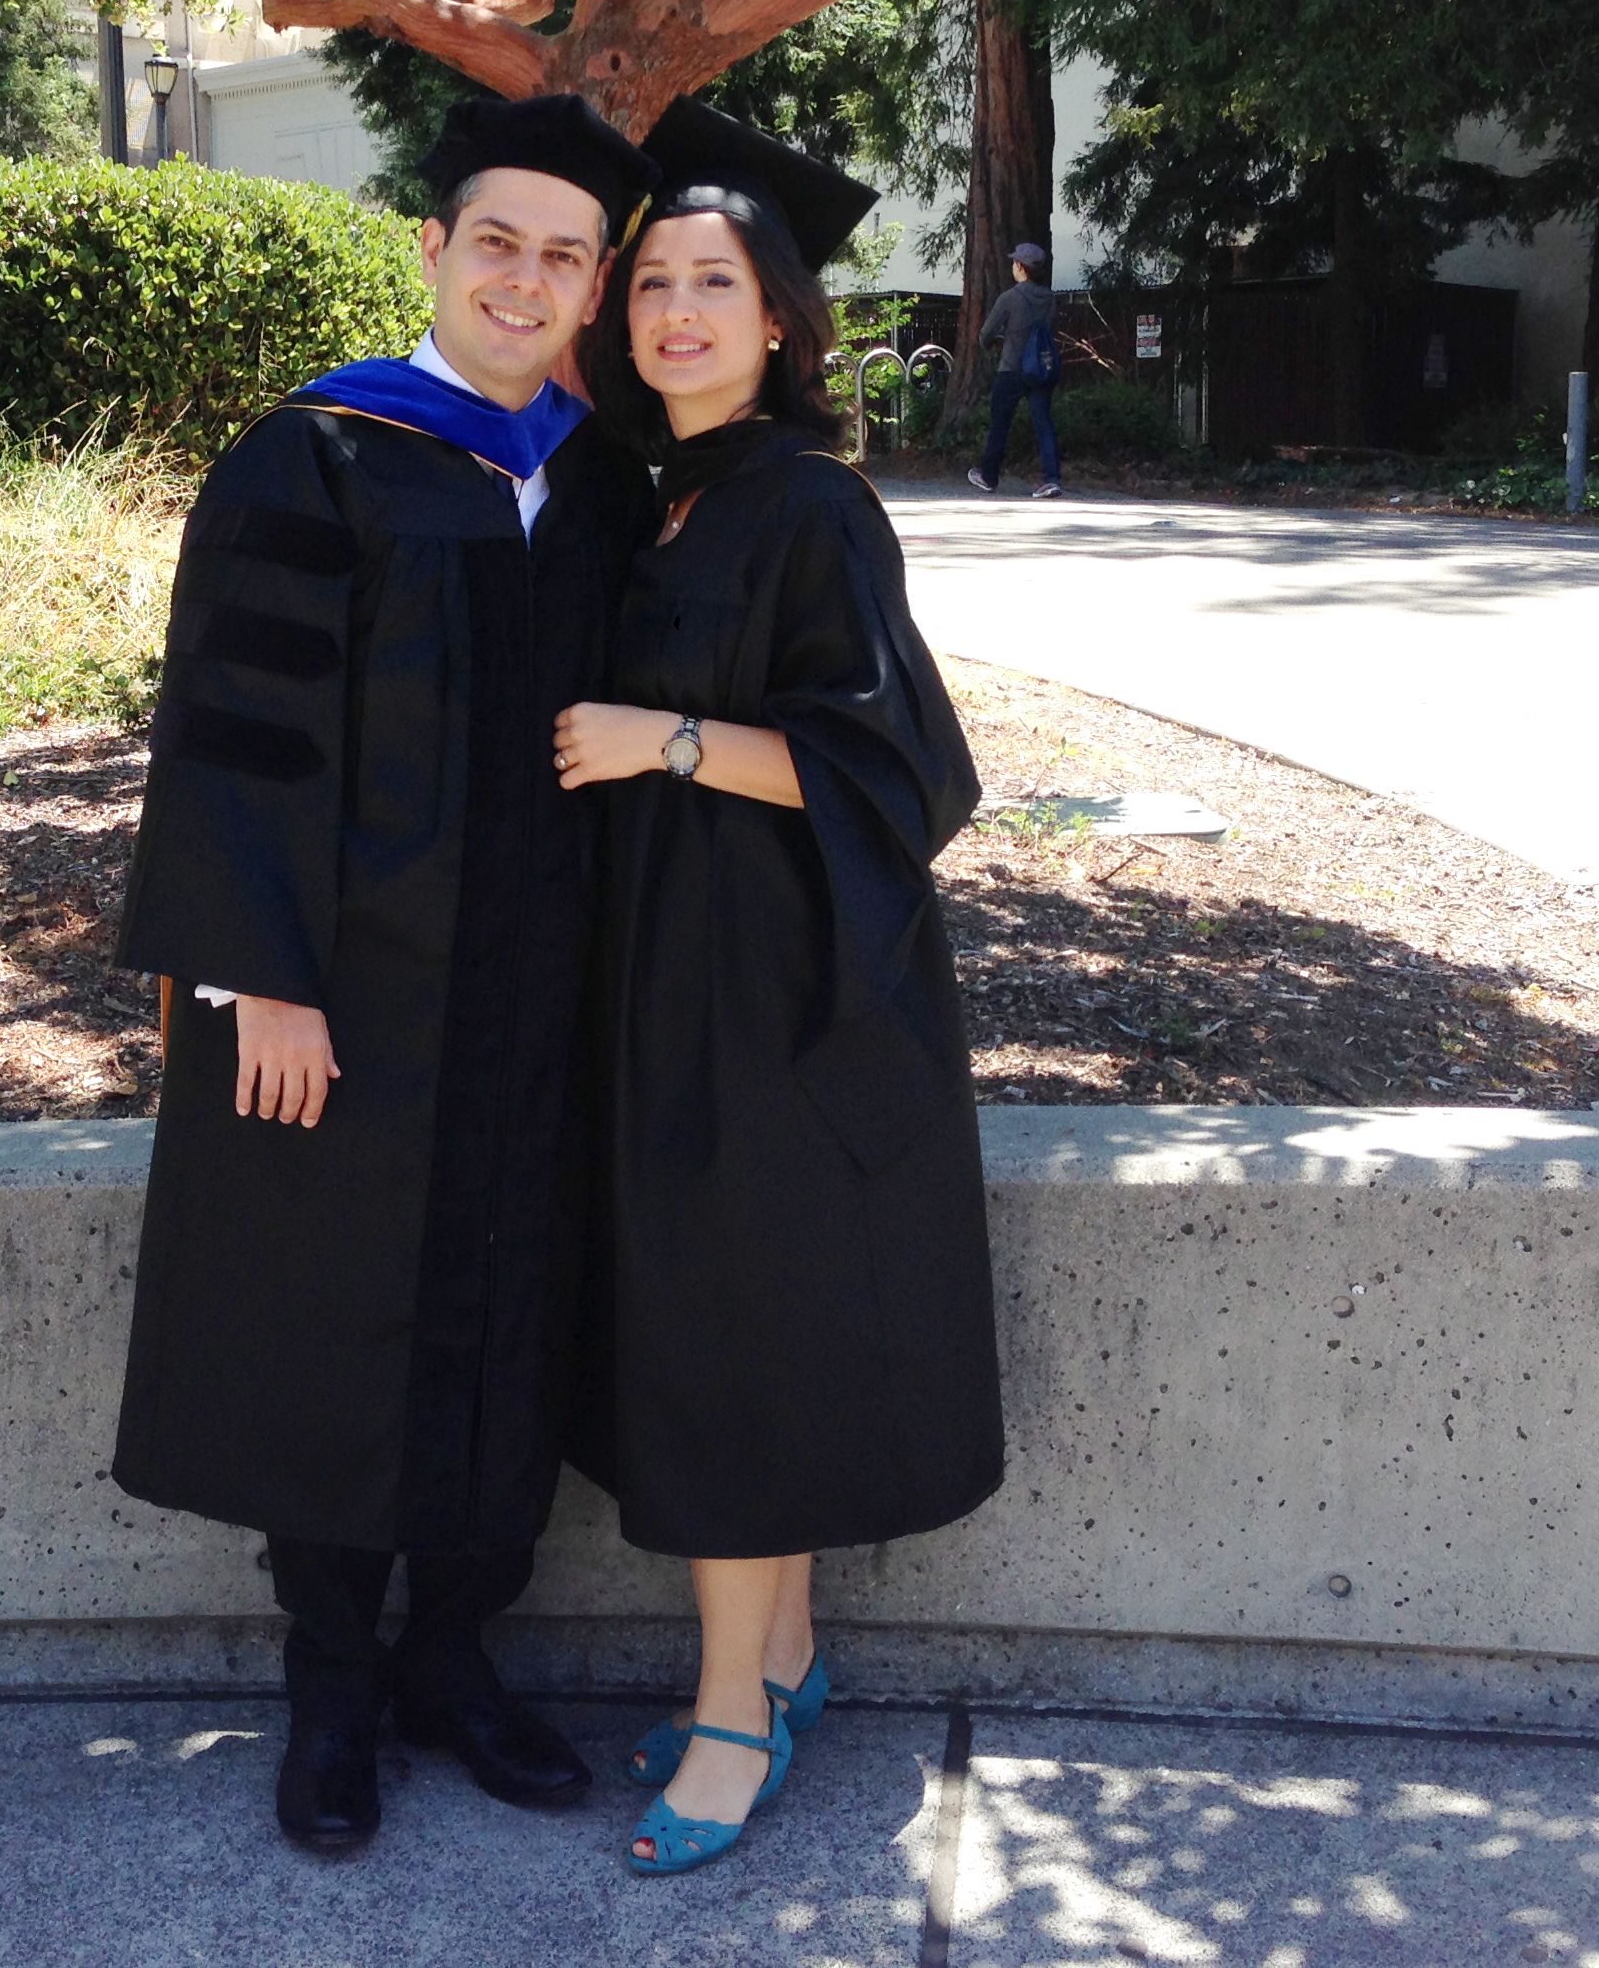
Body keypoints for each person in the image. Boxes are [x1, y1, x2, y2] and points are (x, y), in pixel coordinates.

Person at [110, 95, 662, 1855]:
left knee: (518, 1310)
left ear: (592, 285)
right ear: (429, 249)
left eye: (562, 253)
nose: (525, 276)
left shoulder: (597, 477)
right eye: (493, 240)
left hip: (541, 1002)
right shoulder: (321, 457)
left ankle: (452, 1656)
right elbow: (230, 735)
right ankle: (333, 1679)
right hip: (345, 1004)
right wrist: (257, 981)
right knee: (334, 1320)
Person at [555, 104, 1005, 1877]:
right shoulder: (646, 495)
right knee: (721, 1327)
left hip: (783, 991)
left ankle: (731, 1715)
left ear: (779, 322)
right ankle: (793, 1656)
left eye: (711, 285)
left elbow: (904, 772)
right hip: (667, 979)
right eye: (651, 280)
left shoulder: (807, 506)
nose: (673, 311)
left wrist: (664, 740)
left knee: (724, 1343)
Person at [968, 239, 1063, 498]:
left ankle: (989, 477)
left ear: (1020, 267)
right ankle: (1051, 478)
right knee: (1043, 423)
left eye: (1014, 262)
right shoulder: (1048, 298)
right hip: (1040, 367)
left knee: (1000, 423)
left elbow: (985, 334)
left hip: (1011, 367)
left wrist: (995, 342)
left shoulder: (1009, 298)